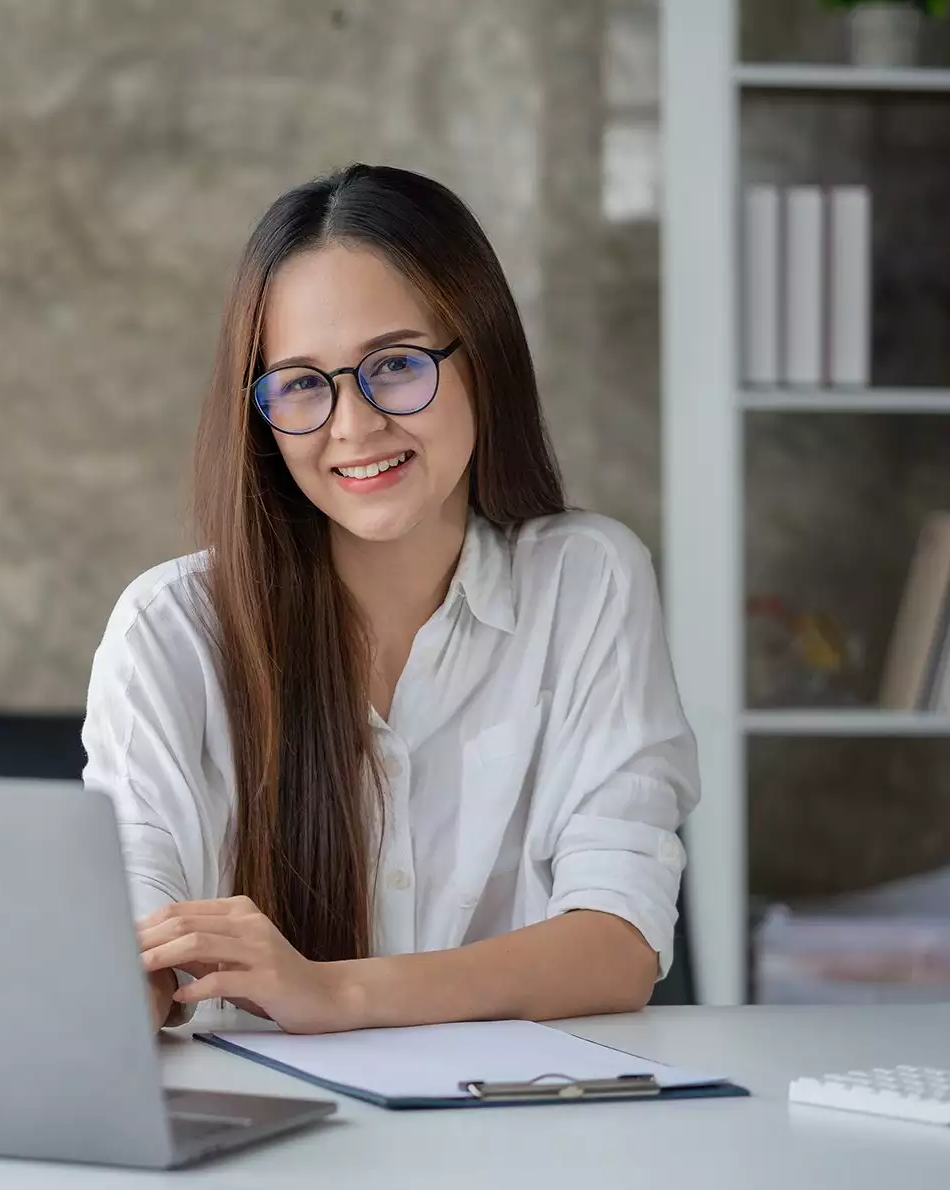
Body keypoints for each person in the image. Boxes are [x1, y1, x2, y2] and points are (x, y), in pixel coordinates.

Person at [81, 164, 699, 1035]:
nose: (353, 425)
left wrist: (336, 994)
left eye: (397, 365)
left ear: (481, 356)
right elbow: (131, 928)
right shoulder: (169, 630)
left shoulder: (588, 581)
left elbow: (618, 943)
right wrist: (125, 986)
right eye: (301, 384)